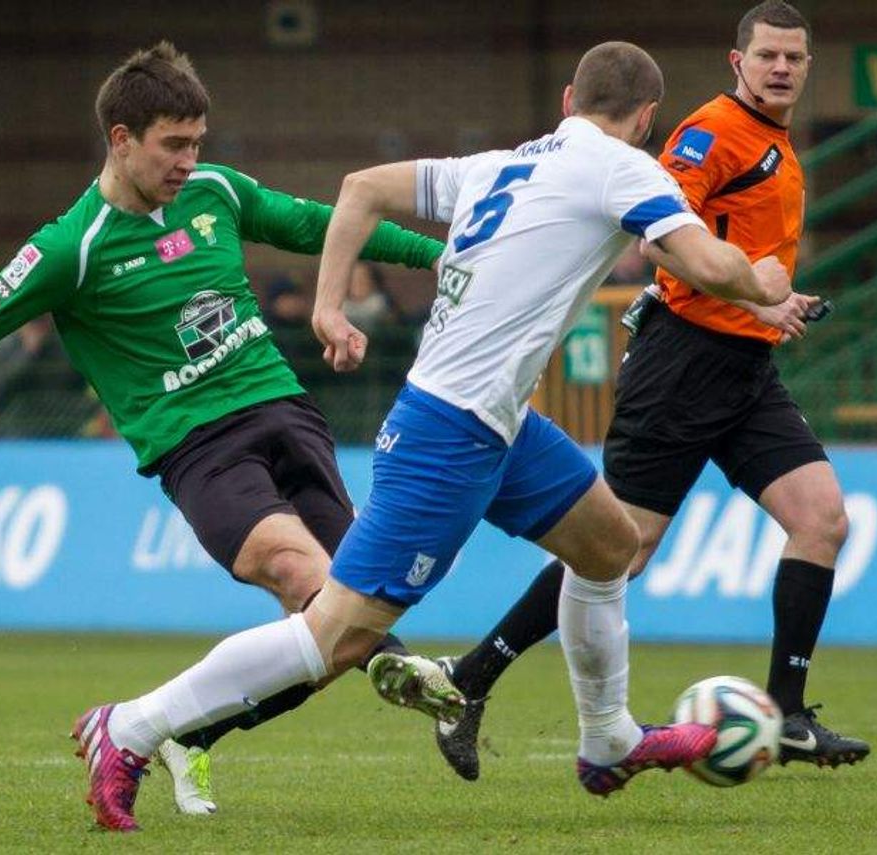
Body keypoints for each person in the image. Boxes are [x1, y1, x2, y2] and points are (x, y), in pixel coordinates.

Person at [68, 41, 793, 832]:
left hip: (493, 418)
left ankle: (608, 738)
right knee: (336, 636)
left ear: (566, 99)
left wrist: (329, 304)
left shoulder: (500, 164)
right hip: (451, 432)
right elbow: (701, 261)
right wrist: (759, 281)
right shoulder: (626, 167)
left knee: (608, 544)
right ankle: (132, 726)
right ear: (648, 118)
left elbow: (361, 189)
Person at [0, 41, 446, 818]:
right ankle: (142, 726)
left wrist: (444, 258)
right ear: (121, 139)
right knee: (304, 577)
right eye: (173, 144)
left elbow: (320, 223)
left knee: (350, 626)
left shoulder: (216, 192)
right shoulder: (69, 248)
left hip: (286, 410)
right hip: (200, 446)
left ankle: (190, 735)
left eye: (196, 142)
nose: (187, 159)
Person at [432, 0, 870, 783]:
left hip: (746, 370)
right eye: (766, 55)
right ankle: (471, 678)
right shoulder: (707, 132)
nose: (780, 67)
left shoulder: (773, 141)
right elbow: (664, 242)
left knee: (822, 519)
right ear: (737, 61)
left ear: (807, 66)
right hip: (681, 365)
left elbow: (736, 254)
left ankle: (790, 712)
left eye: (793, 58)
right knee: (618, 552)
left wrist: (776, 303)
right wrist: (752, 297)